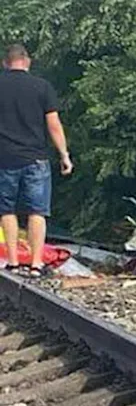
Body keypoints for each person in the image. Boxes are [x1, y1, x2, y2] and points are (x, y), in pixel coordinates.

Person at [0, 44, 72, 276]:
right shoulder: (42, 87)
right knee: (37, 211)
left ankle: (11, 262)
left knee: (6, 210)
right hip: (36, 159)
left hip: (4, 158)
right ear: (27, 61)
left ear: (5, 63)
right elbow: (54, 125)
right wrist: (64, 155)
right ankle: (36, 263)